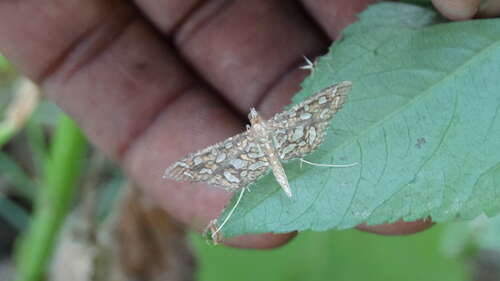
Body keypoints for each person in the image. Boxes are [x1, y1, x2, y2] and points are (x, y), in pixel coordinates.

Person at [0, 0, 496, 249]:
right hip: (279, 150)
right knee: (306, 146)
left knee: (300, 148)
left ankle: (274, 192)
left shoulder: (269, 131)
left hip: (269, 153)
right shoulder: (282, 126)